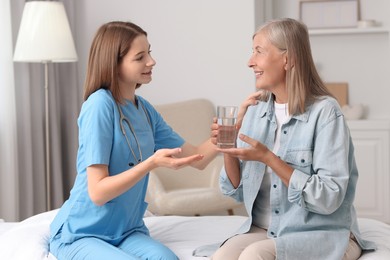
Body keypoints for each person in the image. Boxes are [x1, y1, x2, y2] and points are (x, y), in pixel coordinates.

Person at [208, 18, 376, 260]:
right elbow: (235, 190)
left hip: (319, 231)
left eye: (259, 51)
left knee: (253, 255)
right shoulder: (256, 110)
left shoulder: (326, 112)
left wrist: (269, 158)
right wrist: (229, 146)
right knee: (221, 257)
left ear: (288, 59)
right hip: (268, 229)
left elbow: (329, 197)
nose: (250, 61)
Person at [49, 21, 217, 260]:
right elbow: (97, 192)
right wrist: (151, 163)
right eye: (140, 57)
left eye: (149, 52)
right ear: (114, 65)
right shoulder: (99, 105)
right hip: (84, 232)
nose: (151, 61)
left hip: (127, 230)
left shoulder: (145, 110)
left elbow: (197, 158)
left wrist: (228, 133)